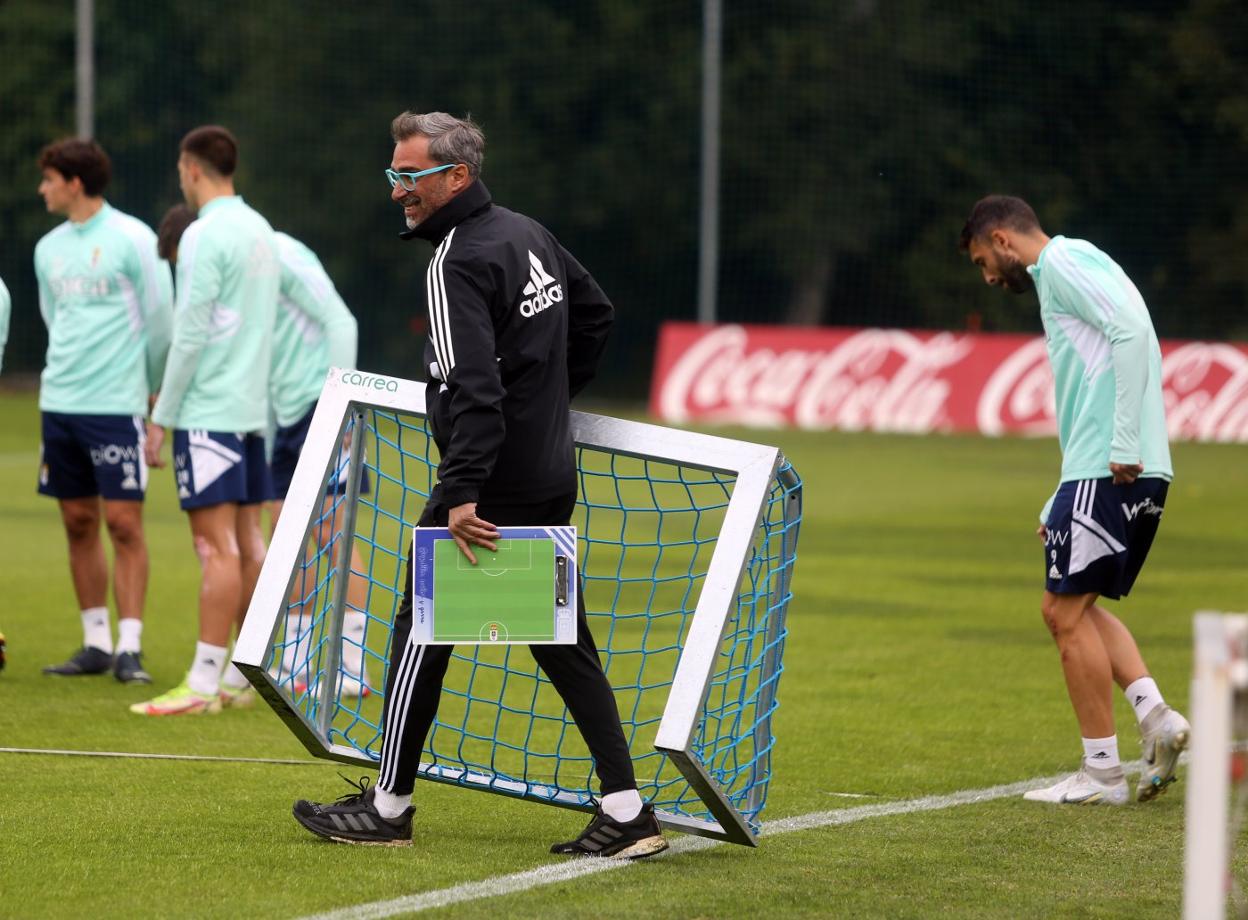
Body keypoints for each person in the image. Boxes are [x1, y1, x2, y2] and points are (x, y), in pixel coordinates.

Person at [292, 112, 667, 859]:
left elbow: (473, 389)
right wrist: (546, 408)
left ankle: (390, 808)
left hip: (487, 483)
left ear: (455, 176)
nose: (398, 190)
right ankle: (626, 811)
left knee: (416, 638)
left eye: (411, 176)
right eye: (393, 174)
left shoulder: (455, 261)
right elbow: (595, 316)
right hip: (545, 471)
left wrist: (461, 492)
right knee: (560, 640)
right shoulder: (526, 231)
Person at [959, 195, 1190, 805]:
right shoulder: (1080, 260)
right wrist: (1059, 498)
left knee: (1061, 613)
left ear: (1004, 239)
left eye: (985, 259)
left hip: (1111, 469)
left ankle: (1102, 774)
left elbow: (1133, 331)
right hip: (1112, 471)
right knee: (1074, 607)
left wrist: (1122, 442)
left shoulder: (1060, 265)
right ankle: (1156, 718)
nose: (987, 275)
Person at [159, 206, 371, 697]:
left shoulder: (282, 253)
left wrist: (339, 403)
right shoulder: (239, 268)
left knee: (332, 533)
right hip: (278, 419)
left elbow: (342, 322)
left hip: (321, 406)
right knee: (284, 539)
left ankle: (353, 669)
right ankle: (293, 663)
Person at [133, 126, 279, 716]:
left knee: (214, 547)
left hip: (209, 414)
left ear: (191, 169)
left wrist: (161, 416)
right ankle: (248, 673)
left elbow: (190, 331)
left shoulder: (202, 235)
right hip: (250, 414)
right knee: (247, 543)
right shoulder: (261, 231)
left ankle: (202, 684)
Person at [33, 138, 173, 685]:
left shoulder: (133, 238)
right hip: (59, 403)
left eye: (48, 179)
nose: (42, 189)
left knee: (123, 523)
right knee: (77, 520)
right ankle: (94, 641)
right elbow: (55, 318)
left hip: (117, 407)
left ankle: (129, 647)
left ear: (73, 181)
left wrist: (154, 388)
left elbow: (161, 321)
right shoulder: (47, 248)